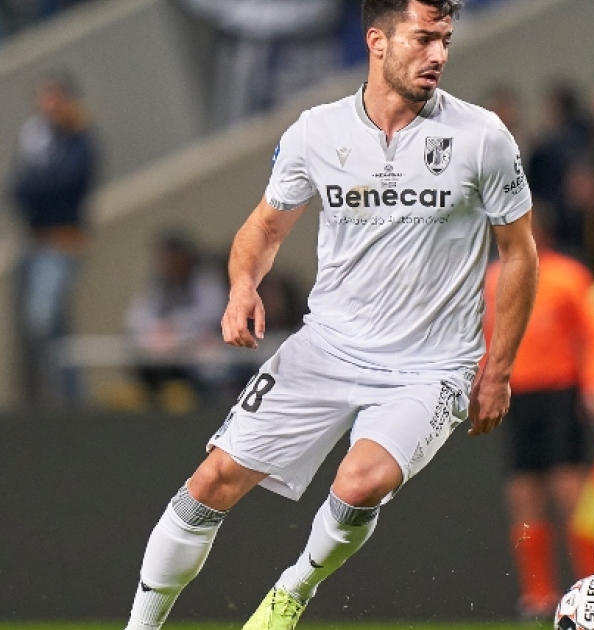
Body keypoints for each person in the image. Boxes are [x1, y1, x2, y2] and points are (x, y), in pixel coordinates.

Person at [122, 2, 538, 629]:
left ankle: (292, 590)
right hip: (326, 348)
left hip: (430, 367)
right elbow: (265, 228)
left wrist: (498, 369)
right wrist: (241, 288)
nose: (438, 55)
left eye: (446, 40)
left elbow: (519, 253)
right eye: (423, 39)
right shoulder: (317, 132)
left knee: (361, 482)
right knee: (212, 480)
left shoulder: (483, 138)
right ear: (378, 41)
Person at [483, 207, 594, 618]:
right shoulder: (493, 279)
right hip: (515, 396)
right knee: (523, 496)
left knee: (570, 492)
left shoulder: (568, 277)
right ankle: (538, 596)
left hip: (560, 393)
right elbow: (483, 339)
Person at [11, 71, 95, 406]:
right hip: (34, 241)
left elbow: (66, 185)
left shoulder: (78, 141)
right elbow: (17, 189)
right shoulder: (37, 142)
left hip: (61, 243)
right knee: (49, 327)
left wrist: (39, 184)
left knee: (44, 320)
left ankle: (68, 397)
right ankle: (64, 398)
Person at [124, 232, 227, 410]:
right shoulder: (158, 285)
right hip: (163, 355)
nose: (169, 264)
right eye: (165, 259)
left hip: (197, 357)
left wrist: (175, 327)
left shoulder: (206, 280)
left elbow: (213, 313)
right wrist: (158, 331)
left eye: (174, 258)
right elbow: (136, 317)